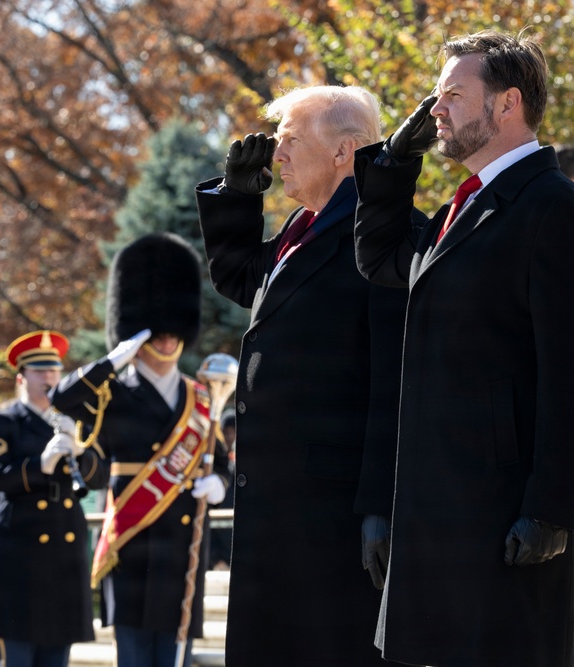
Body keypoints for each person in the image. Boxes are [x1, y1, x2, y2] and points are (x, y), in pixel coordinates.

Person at [352, 30, 574, 667]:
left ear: (507, 104)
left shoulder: (550, 206)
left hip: (503, 519)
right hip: (437, 512)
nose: (435, 108)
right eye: (434, 94)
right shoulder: (464, 206)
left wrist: (552, 509)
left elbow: (568, 371)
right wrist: (395, 158)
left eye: (452, 94)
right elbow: (381, 260)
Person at [194, 85, 413, 666]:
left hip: (337, 517)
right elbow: (246, 280)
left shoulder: (384, 234)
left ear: (344, 152)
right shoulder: (301, 227)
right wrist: (238, 198)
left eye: (290, 139)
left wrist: (380, 506)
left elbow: (394, 383)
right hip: (280, 509)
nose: (276, 155)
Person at [51, 232, 230, 667]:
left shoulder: (201, 399)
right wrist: (112, 360)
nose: (168, 341)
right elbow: (62, 400)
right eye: (158, 332)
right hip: (131, 544)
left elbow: (223, 465)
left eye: (174, 332)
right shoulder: (112, 393)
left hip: (183, 545)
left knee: (177, 656)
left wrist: (219, 485)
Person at [0, 330, 96, 667]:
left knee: (57, 653)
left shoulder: (76, 418)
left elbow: (100, 474)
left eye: (54, 370)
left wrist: (80, 453)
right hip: (20, 545)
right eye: (39, 371)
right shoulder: (5, 419)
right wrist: (39, 466)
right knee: (17, 653)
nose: (48, 377)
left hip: (63, 542)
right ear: (21, 377)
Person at [207, 412, 235, 571]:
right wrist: (215, 558)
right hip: (216, 556)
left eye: (233, 432)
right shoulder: (212, 465)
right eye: (226, 432)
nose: (230, 437)